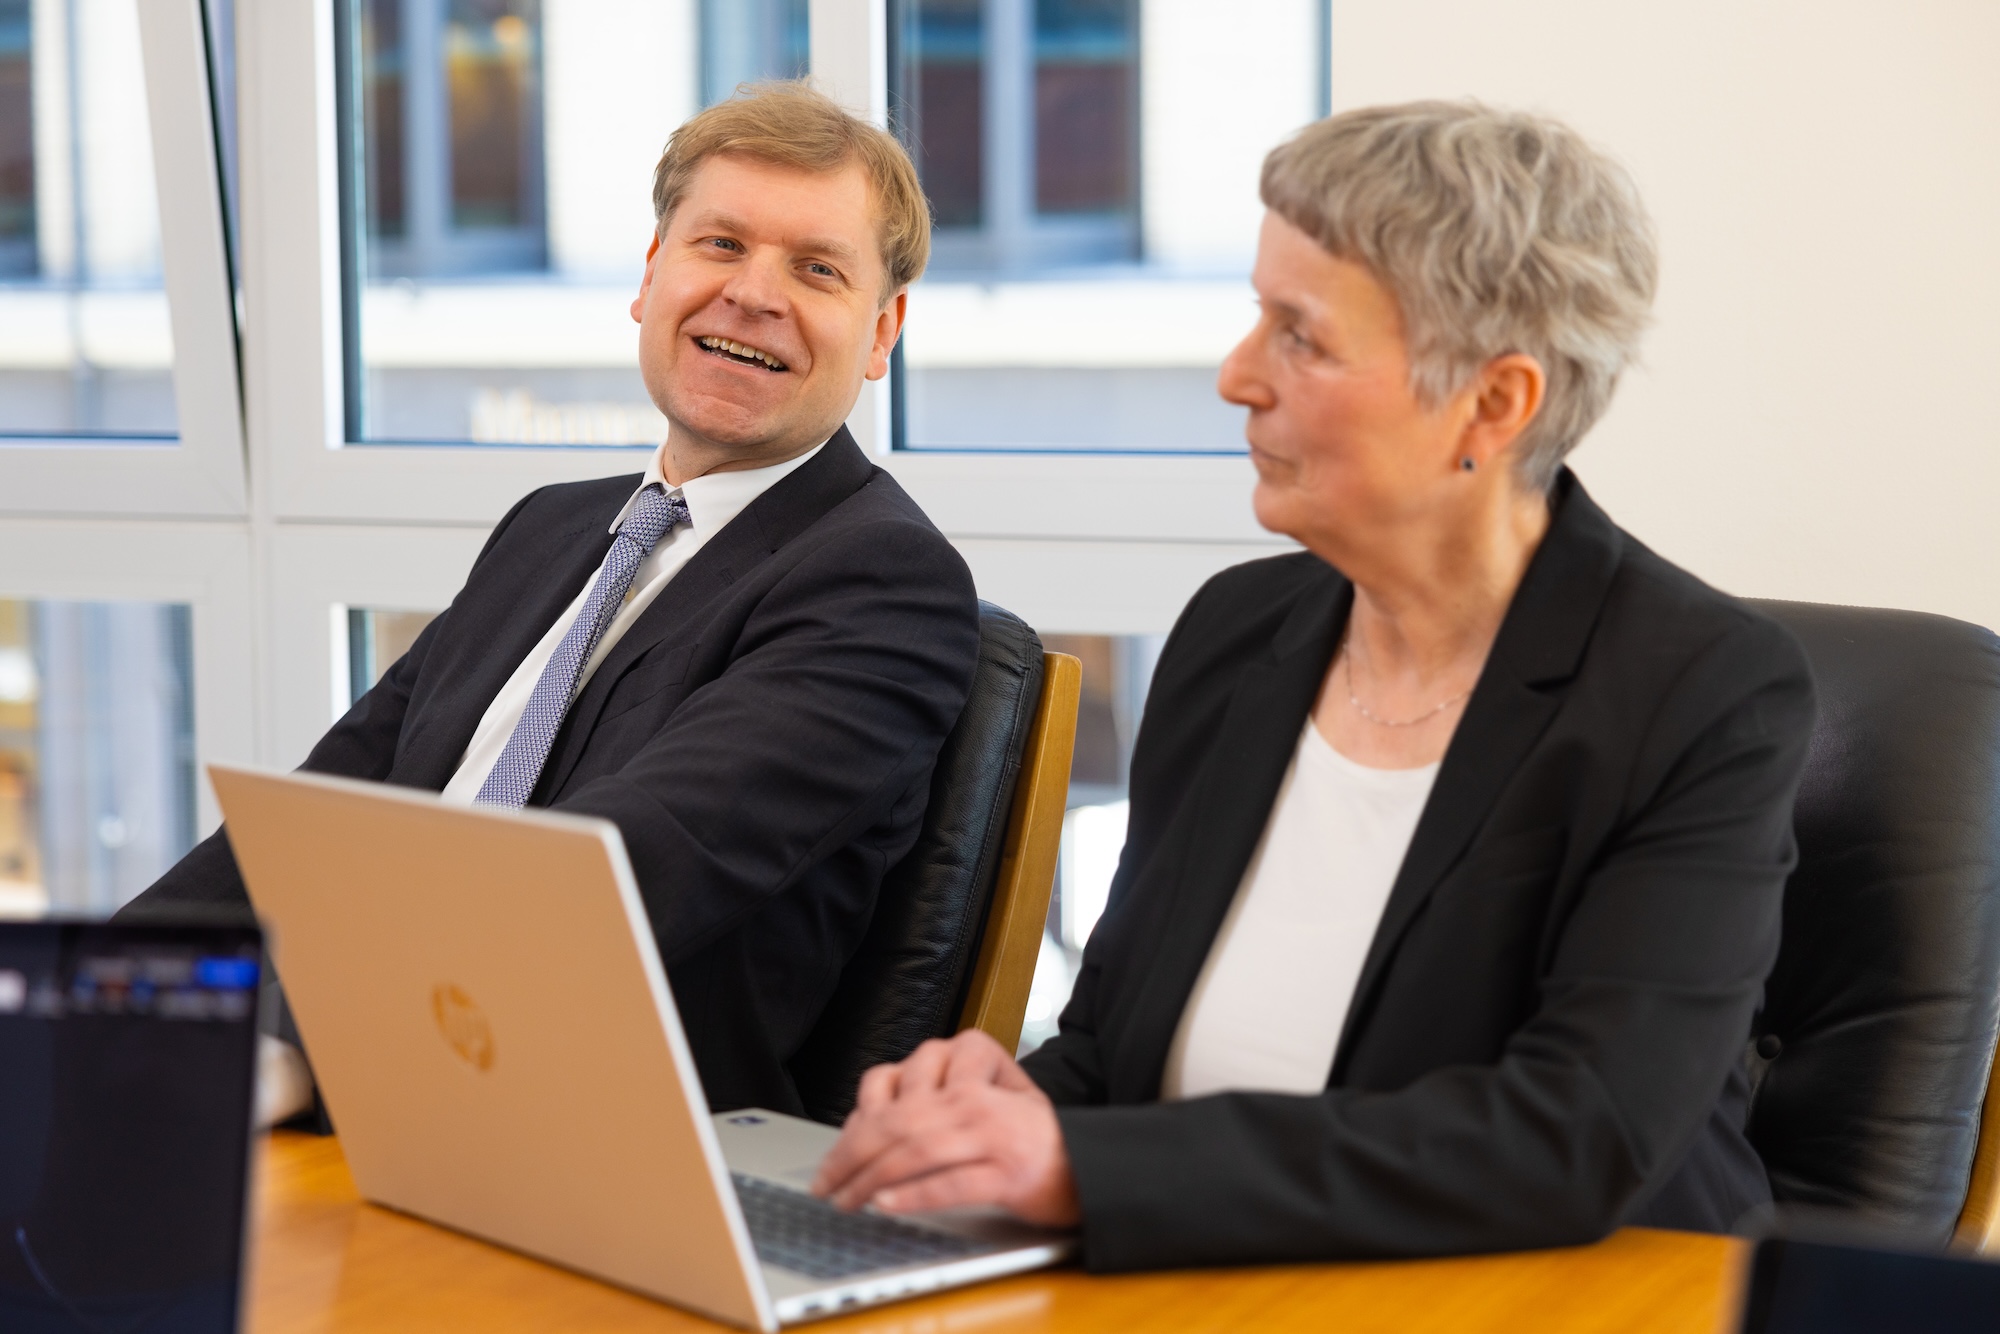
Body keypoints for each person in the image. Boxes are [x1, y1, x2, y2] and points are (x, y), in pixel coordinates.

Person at [812, 101, 1817, 1269]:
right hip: (1232, 1280)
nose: (1238, 376)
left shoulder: (1700, 690)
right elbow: (1112, 1050)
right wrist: (1001, 1115)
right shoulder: (1235, 637)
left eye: (1302, 337)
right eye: (1256, 318)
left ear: (1492, 403)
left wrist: (1083, 1168)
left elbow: (1574, 1132)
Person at [120, 83, 981, 1120]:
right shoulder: (550, 529)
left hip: (584, 1138)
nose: (752, 294)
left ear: (881, 331)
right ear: (649, 276)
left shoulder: (882, 583)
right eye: (718, 244)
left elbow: (595, 879)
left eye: (815, 268)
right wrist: (101, 992)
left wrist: (285, 1052)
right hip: (365, 1085)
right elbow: (319, 825)